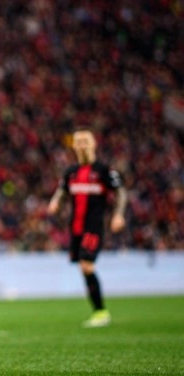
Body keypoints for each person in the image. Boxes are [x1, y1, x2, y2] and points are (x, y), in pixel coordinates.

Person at [47, 129, 127, 328]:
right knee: (83, 268)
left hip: (94, 226)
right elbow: (62, 191)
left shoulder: (104, 170)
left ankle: (101, 312)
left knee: (86, 265)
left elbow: (121, 192)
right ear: (74, 146)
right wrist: (55, 202)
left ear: (93, 144)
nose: (82, 145)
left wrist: (118, 214)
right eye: (78, 142)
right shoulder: (71, 172)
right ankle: (98, 311)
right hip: (75, 228)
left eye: (85, 141)